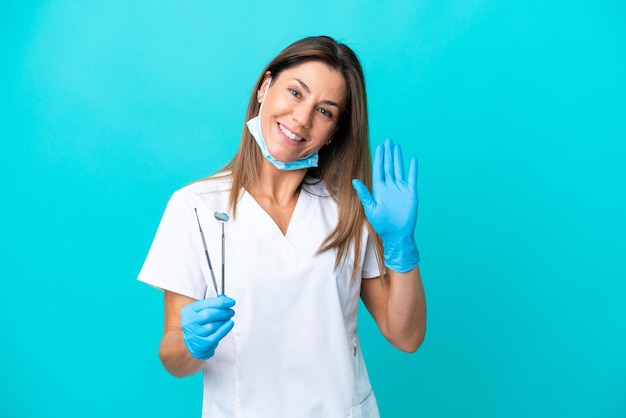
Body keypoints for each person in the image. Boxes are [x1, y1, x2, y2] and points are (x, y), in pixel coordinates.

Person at [138, 35, 426, 417]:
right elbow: (174, 361)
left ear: (335, 132)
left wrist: (401, 248)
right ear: (264, 87)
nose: (302, 118)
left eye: (325, 111)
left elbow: (405, 336)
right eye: (295, 92)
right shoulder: (194, 207)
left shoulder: (349, 211)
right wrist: (191, 343)